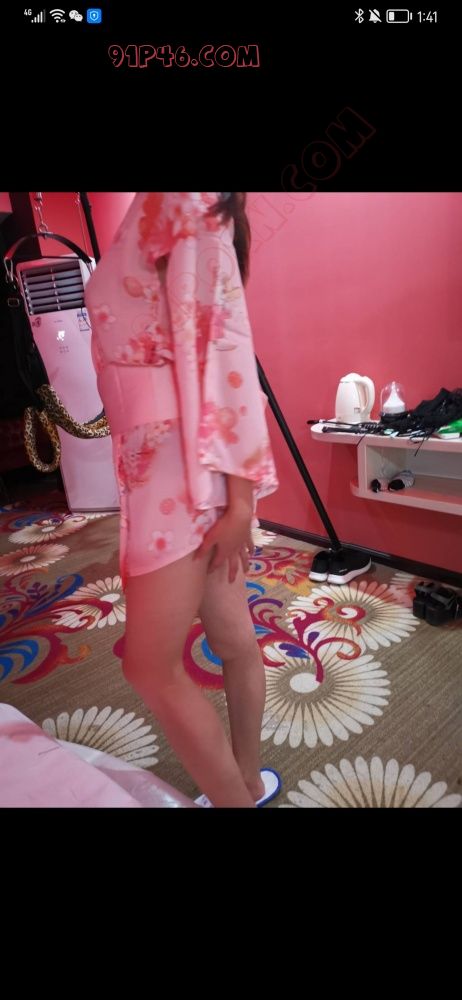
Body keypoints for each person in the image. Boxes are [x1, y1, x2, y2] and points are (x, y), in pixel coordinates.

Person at [84, 192, 280, 807]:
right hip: (175, 462)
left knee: (149, 666)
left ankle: (237, 796)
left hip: (175, 470)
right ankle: (248, 782)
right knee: (232, 639)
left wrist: (240, 503)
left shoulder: (185, 197)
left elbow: (225, 347)